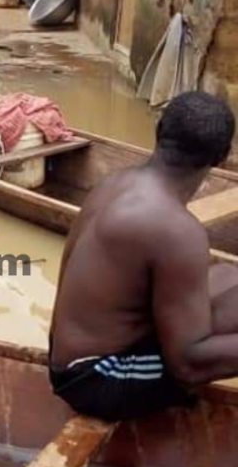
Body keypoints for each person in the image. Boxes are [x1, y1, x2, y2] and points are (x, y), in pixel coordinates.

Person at [49, 91, 238, 423]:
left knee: (226, 275)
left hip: (68, 357)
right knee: (214, 322)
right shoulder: (176, 230)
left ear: (159, 130)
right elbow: (188, 366)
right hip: (96, 379)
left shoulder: (116, 183)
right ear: (221, 157)